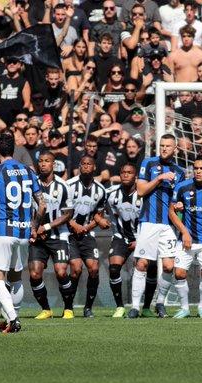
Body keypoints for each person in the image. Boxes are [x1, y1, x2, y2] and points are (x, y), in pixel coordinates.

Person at [0, 133, 46, 333]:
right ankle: (11, 318)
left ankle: (13, 319)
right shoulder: (28, 171)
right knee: (15, 278)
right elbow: (42, 205)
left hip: (3, 231)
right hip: (24, 233)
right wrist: (34, 227)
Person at [129, 134, 184, 319]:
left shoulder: (180, 171)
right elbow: (141, 190)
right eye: (162, 145)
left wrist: (179, 205)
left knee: (169, 266)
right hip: (148, 222)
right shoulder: (149, 163)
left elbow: (180, 199)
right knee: (142, 264)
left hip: (168, 225)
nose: (164, 148)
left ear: (175, 149)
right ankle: (135, 307)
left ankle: (160, 303)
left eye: (168, 146)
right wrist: (159, 178)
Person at [169, 155, 202, 319]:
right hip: (186, 239)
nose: (198, 171)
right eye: (196, 168)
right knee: (179, 273)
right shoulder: (182, 187)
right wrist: (184, 232)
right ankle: (184, 308)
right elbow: (171, 211)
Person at [28, 151, 74, 320]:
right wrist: (33, 228)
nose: (43, 164)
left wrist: (46, 226)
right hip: (37, 237)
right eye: (40, 161)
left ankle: (68, 308)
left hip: (58, 236)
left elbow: (68, 214)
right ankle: (46, 309)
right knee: (34, 274)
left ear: (53, 164)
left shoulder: (63, 186)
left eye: (47, 161)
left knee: (61, 272)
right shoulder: (31, 185)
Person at [66, 155, 109, 318]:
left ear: (94, 167)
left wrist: (89, 226)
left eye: (89, 164)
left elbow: (98, 215)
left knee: (94, 268)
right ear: (79, 166)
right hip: (69, 233)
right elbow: (62, 212)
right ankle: (68, 306)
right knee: (76, 269)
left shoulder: (101, 190)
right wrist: (75, 225)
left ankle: (88, 308)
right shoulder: (69, 185)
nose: (85, 166)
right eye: (82, 164)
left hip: (87, 234)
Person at [106, 163, 148, 318]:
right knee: (114, 268)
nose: (125, 175)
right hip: (120, 237)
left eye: (129, 172)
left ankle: (147, 306)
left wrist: (141, 240)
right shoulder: (110, 193)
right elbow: (97, 210)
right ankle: (119, 306)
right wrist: (99, 220)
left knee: (145, 268)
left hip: (141, 237)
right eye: (123, 172)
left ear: (135, 176)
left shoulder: (144, 194)